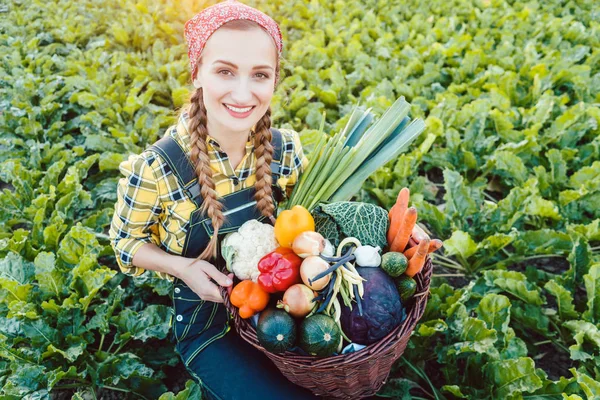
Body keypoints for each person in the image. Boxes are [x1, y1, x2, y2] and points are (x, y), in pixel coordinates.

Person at [109, 1, 319, 398]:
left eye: (259, 74)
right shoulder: (158, 168)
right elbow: (124, 243)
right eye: (225, 71)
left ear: (275, 79)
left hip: (286, 309)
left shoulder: (284, 149)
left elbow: (314, 224)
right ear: (198, 73)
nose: (243, 93)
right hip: (210, 328)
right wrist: (182, 267)